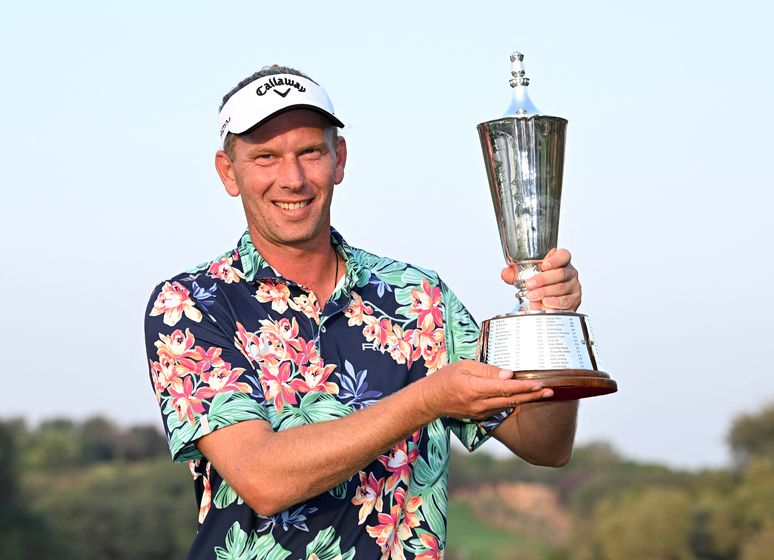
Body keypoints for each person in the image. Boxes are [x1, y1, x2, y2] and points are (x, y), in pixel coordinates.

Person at [144, 65, 581, 560]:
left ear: (339, 159)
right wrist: (428, 399)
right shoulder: (190, 305)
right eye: (265, 156)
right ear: (229, 171)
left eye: (310, 151)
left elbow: (545, 445)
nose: (293, 178)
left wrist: (551, 325)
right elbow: (262, 478)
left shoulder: (419, 296)